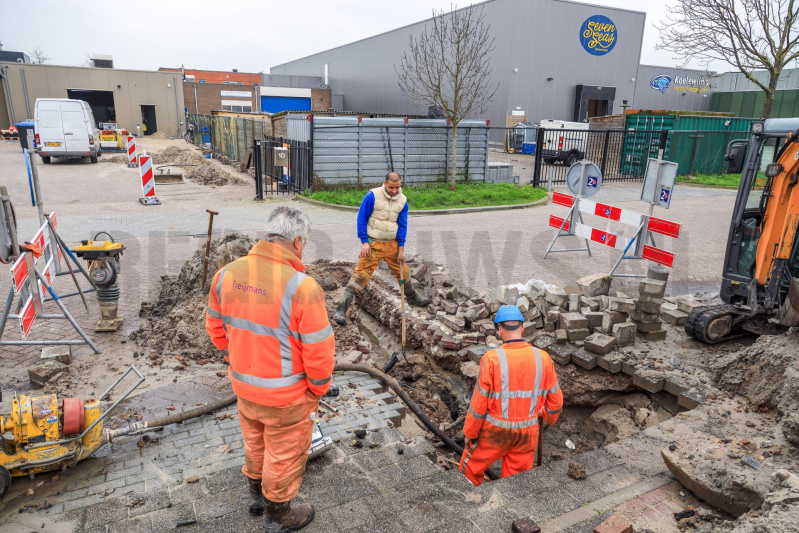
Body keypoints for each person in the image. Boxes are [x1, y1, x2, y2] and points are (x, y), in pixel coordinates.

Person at [206, 206, 335, 533]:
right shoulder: (303, 288)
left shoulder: (226, 275)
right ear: (298, 241)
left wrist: (236, 360)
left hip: (244, 388)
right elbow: (319, 352)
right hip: (287, 398)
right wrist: (317, 390)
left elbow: (215, 329)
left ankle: (256, 496)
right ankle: (278, 515)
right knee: (283, 454)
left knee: (255, 442)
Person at [459, 305, 563, 486]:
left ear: (499, 329)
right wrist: (547, 417)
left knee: (470, 470)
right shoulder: (543, 358)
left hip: (496, 431)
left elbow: (479, 403)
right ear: (522, 327)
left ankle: (467, 499)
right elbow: (556, 402)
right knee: (516, 483)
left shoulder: (492, 359)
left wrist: (470, 432)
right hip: (527, 432)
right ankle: (510, 502)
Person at [333, 171, 429, 325]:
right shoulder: (372, 196)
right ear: (384, 183)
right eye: (391, 187)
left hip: (392, 244)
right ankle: (341, 310)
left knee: (404, 272)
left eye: (397, 187)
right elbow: (361, 219)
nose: (394, 191)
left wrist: (401, 249)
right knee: (360, 276)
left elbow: (402, 225)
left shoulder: (403, 200)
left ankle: (412, 297)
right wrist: (364, 242)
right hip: (374, 244)